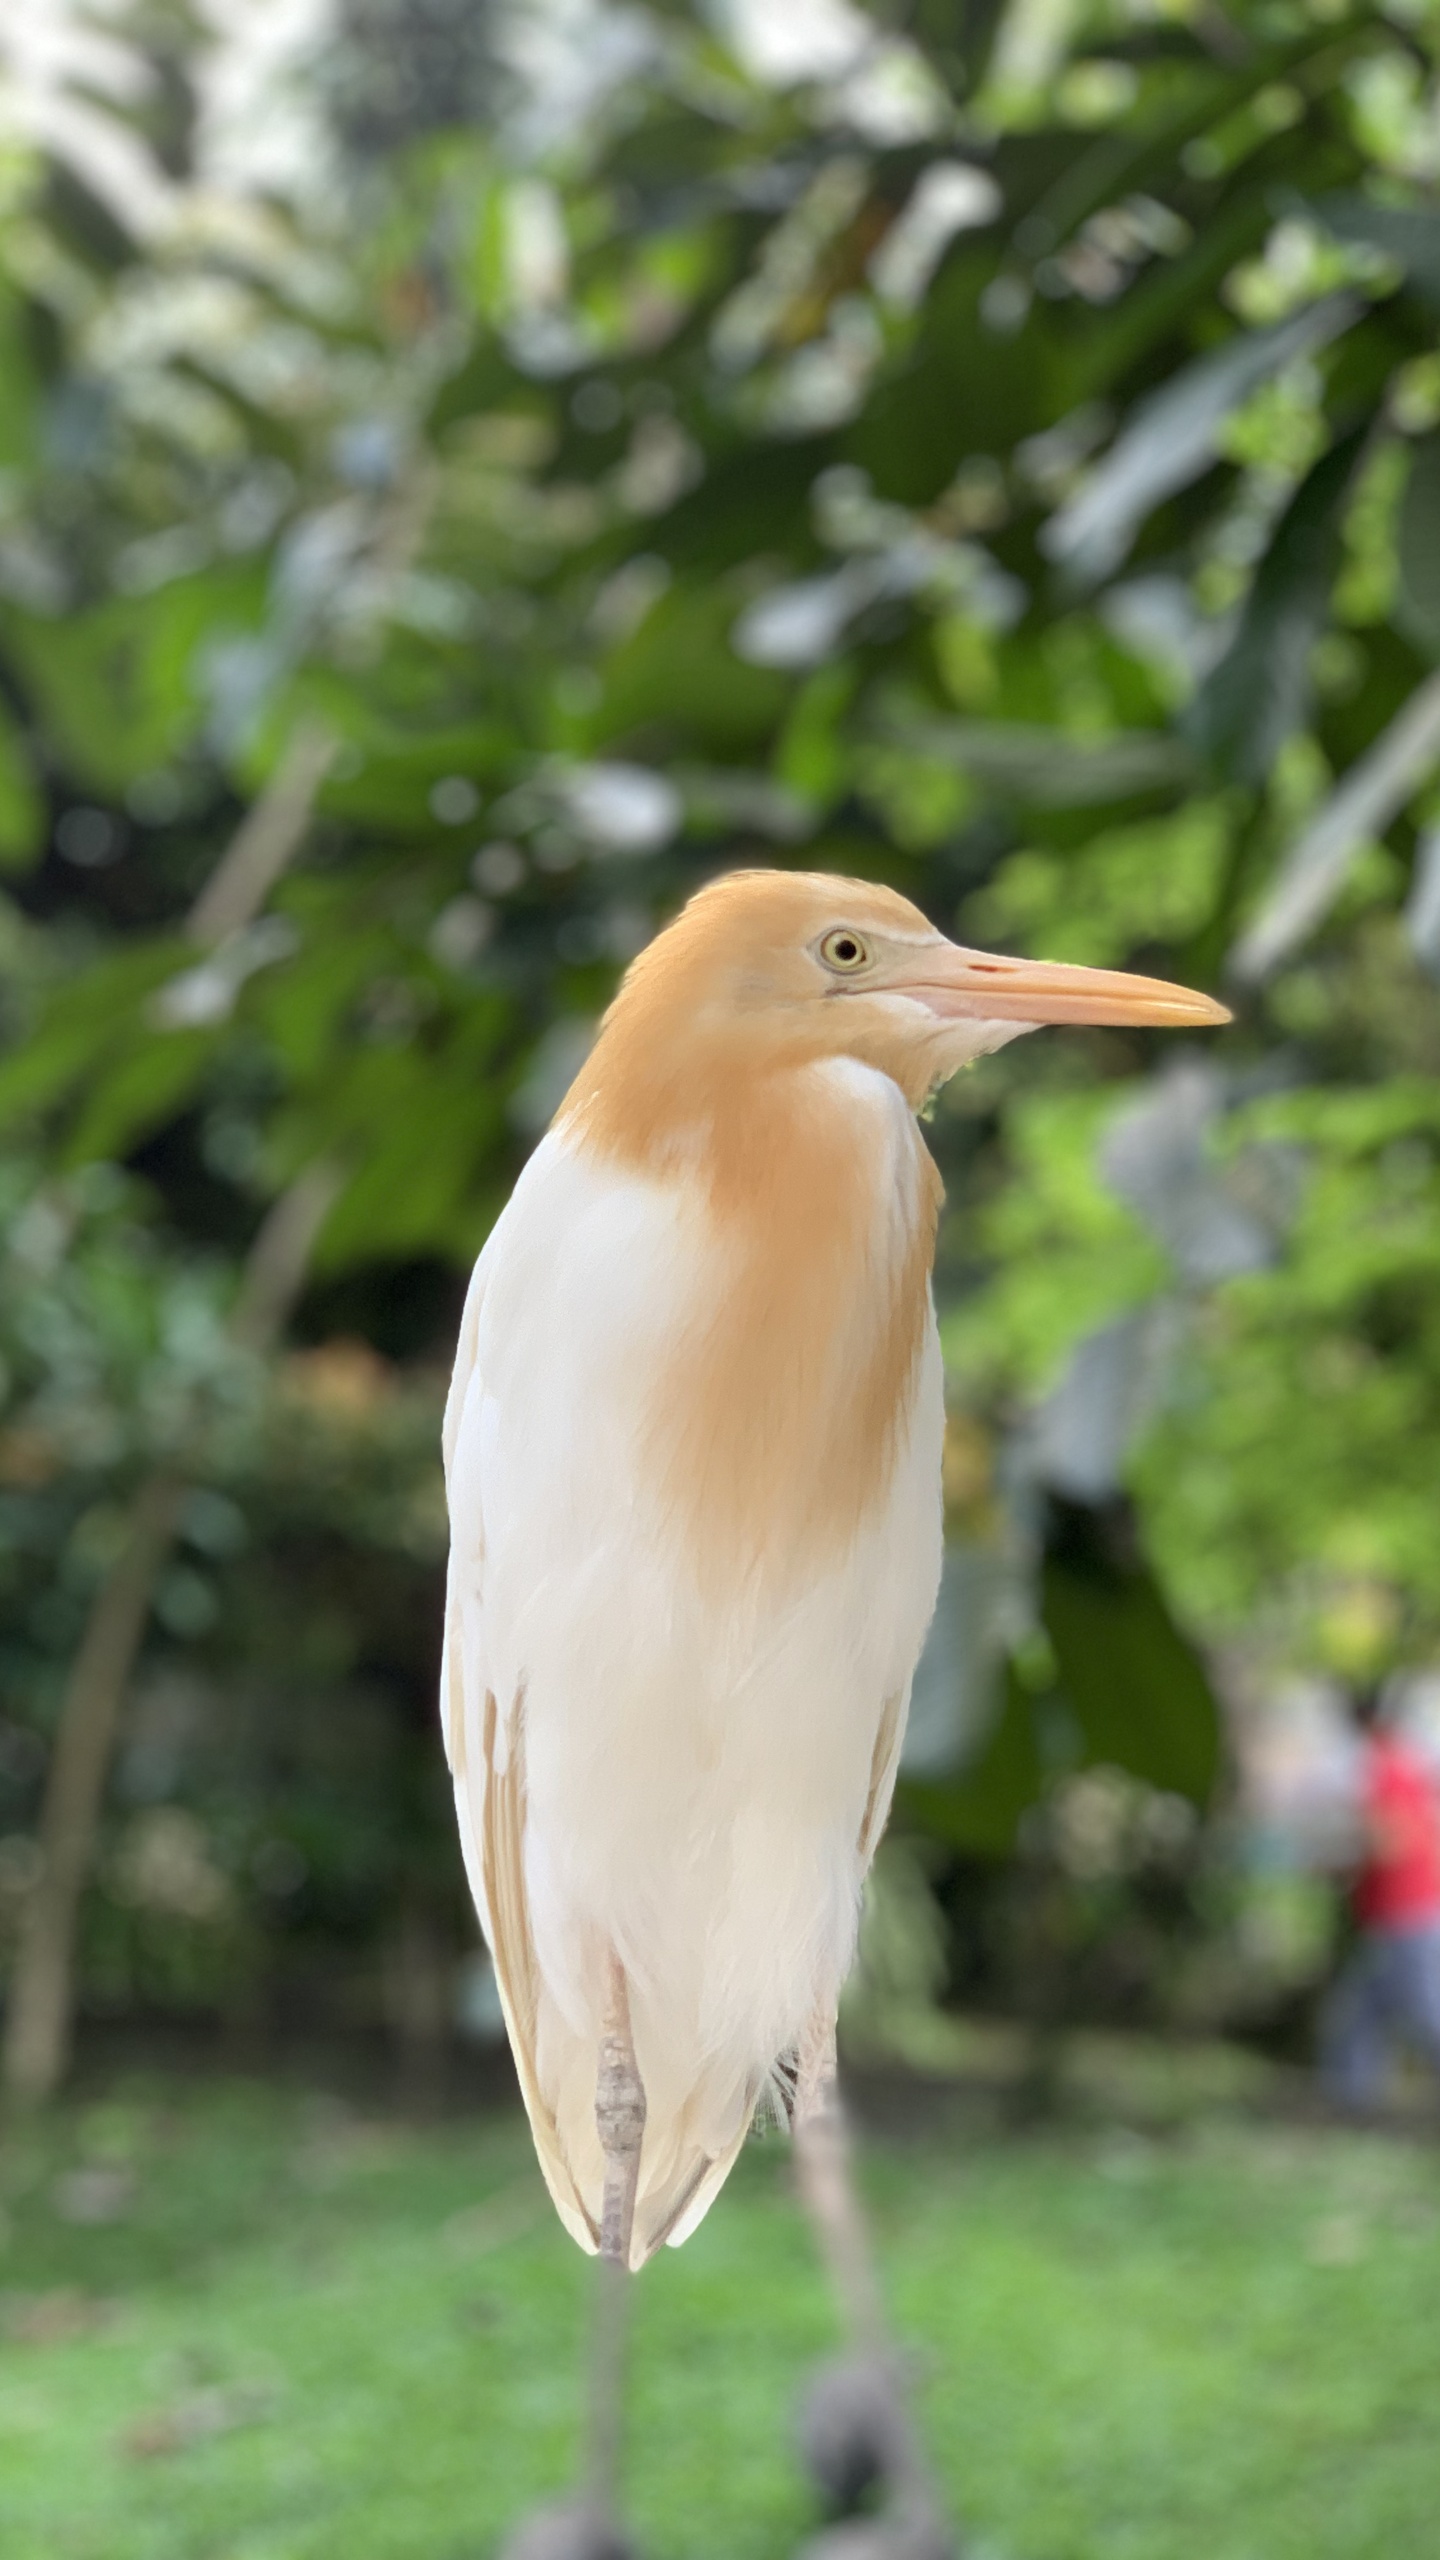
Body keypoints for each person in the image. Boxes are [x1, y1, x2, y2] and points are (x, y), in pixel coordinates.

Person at [1321, 1685, 1440, 2111]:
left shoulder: (1384, 1765)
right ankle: (1349, 2101)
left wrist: (1342, 1866)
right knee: (1359, 2011)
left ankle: (1349, 2098)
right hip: (1400, 1912)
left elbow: (1391, 1839)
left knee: (1427, 2013)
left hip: (1404, 1912)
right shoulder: (1406, 1761)